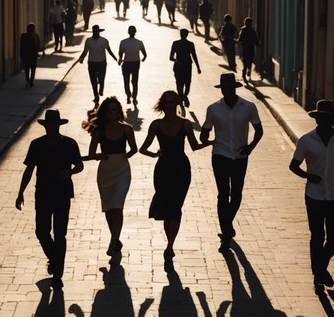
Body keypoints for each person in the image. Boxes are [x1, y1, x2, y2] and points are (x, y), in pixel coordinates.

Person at [289, 99, 334, 292]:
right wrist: (309, 176)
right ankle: (319, 277)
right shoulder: (306, 140)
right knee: (317, 235)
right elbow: (293, 166)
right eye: (322, 118)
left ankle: (320, 269)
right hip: (314, 196)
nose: (325, 121)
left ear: (333, 119)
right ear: (316, 119)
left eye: (329, 118)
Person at [140, 90, 208, 270]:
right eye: (167, 102)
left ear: (177, 104)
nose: (170, 105)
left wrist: (212, 142)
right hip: (162, 170)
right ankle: (169, 246)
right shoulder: (156, 125)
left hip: (181, 169)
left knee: (176, 207)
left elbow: (194, 146)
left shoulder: (185, 124)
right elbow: (142, 149)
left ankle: (169, 246)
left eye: (173, 102)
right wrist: (155, 154)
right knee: (166, 207)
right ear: (162, 105)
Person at [16, 109, 84, 290]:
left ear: (59, 126)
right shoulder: (36, 145)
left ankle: (57, 275)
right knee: (42, 231)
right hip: (43, 194)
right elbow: (29, 169)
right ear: (46, 126)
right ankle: (55, 260)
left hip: (62, 193)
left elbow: (79, 165)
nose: (52, 128)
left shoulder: (69, 144)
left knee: (60, 234)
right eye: (49, 125)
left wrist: (69, 172)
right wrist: (21, 192)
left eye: (55, 125)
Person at [199, 73, 264, 253]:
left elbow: (259, 130)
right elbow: (205, 131)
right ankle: (226, 235)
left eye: (230, 88)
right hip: (220, 155)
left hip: (240, 156)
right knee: (223, 194)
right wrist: (205, 137)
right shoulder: (213, 109)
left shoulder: (248, 107)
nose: (227, 91)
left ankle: (226, 225)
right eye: (225, 88)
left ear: (234, 88)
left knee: (236, 194)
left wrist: (250, 148)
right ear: (222, 89)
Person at [83, 97, 138, 256]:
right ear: (104, 113)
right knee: (108, 207)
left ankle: (113, 242)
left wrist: (122, 156)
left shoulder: (127, 128)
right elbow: (92, 153)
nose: (112, 113)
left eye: (114, 110)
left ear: (119, 112)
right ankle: (116, 238)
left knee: (117, 206)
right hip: (105, 171)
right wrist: (101, 155)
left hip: (122, 170)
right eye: (108, 110)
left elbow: (134, 149)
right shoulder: (99, 130)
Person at [78, 24, 118, 103]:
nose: (95, 33)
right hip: (92, 63)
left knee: (101, 78)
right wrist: (81, 58)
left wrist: (116, 59)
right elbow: (85, 52)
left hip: (101, 63)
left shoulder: (104, 41)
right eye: (94, 32)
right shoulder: (88, 41)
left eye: (96, 32)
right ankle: (96, 96)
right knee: (93, 81)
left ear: (99, 32)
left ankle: (101, 89)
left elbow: (109, 51)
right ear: (93, 32)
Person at [169, 29, 201, 108]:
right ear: (187, 35)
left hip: (178, 66)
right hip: (187, 66)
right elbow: (194, 56)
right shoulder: (190, 44)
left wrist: (176, 60)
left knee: (179, 82)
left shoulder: (176, 43)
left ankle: (181, 97)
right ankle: (184, 96)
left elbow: (171, 57)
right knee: (187, 82)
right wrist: (198, 67)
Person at [118, 25, 148, 106]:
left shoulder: (123, 42)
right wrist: (143, 59)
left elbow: (120, 53)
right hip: (135, 63)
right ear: (135, 32)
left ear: (128, 32)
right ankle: (134, 98)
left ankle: (128, 95)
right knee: (135, 81)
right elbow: (145, 54)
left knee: (126, 81)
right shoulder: (139, 42)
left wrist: (120, 59)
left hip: (126, 63)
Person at [19, 24, 43, 88]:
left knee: (30, 69)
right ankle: (29, 81)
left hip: (30, 55)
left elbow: (38, 45)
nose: (31, 30)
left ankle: (30, 81)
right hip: (29, 55)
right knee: (29, 69)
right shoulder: (26, 36)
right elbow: (22, 46)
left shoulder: (33, 36)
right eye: (31, 29)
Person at [237, 17, 261, 81]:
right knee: (250, 60)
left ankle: (244, 74)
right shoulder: (253, 31)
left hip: (244, 48)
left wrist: (237, 41)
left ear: (245, 23)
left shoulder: (243, 30)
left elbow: (240, 39)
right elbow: (256, 40)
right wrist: (258, 44)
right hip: (251, 48)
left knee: (245, 61)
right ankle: (249, 71)